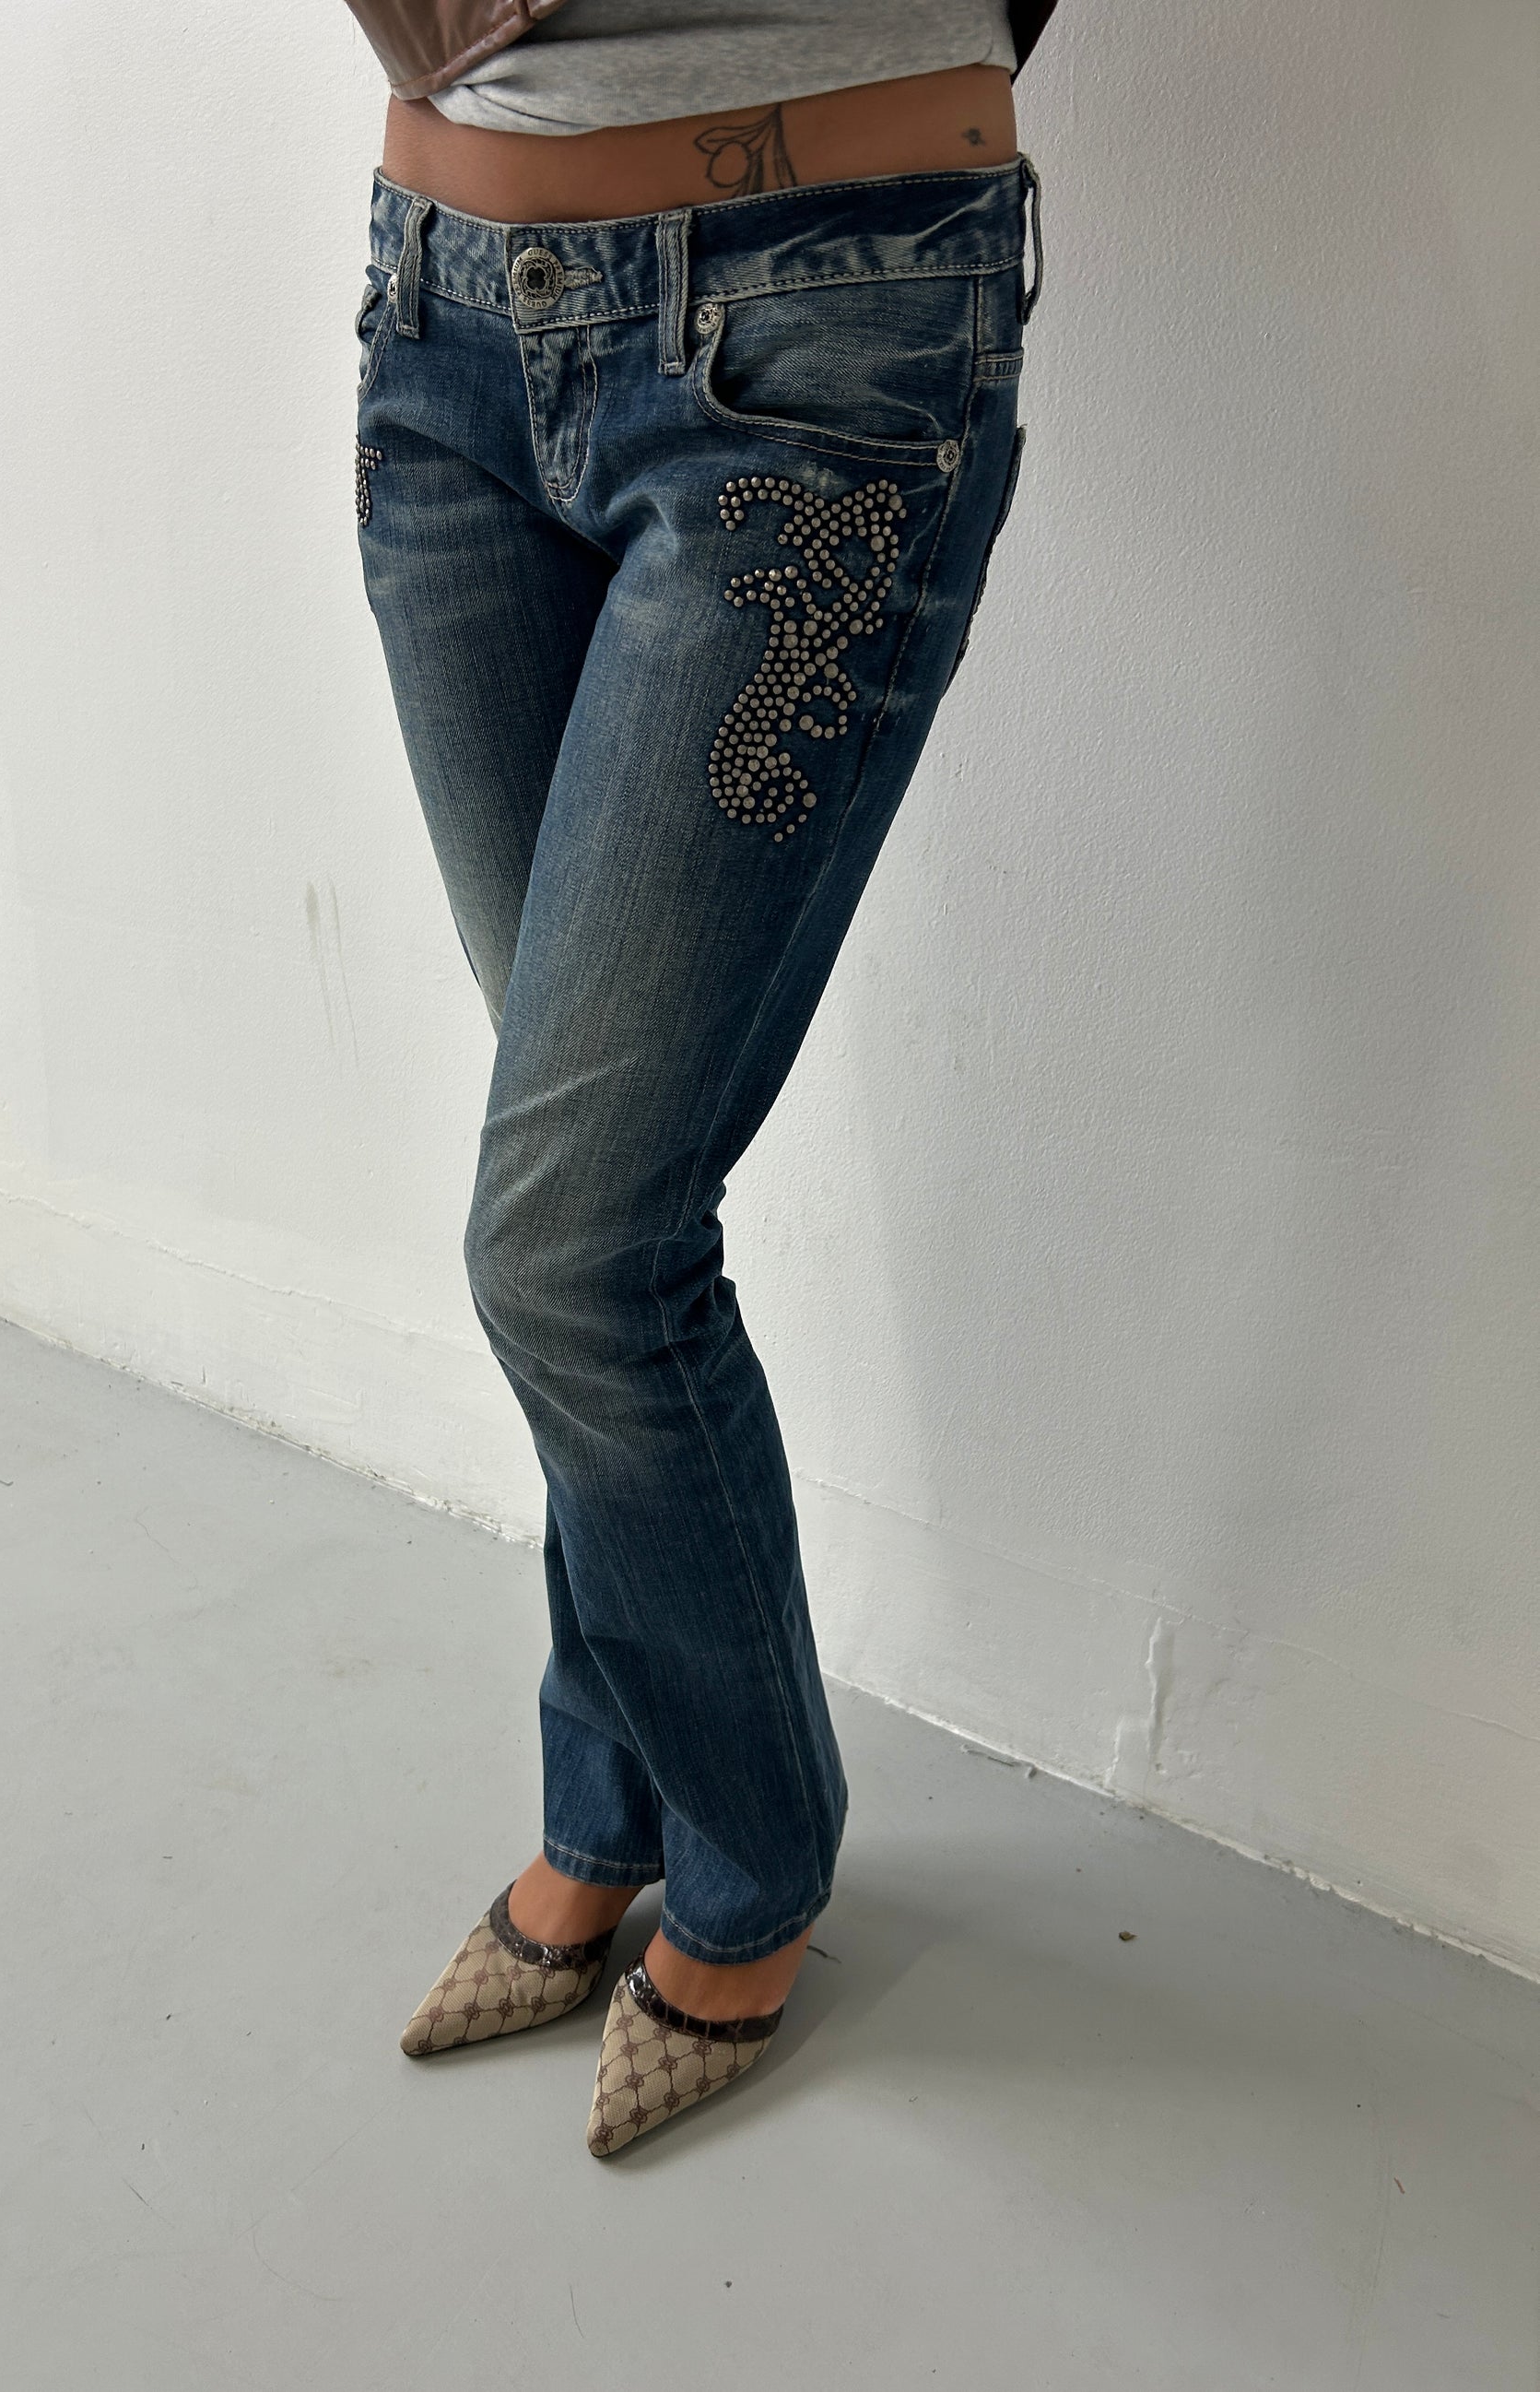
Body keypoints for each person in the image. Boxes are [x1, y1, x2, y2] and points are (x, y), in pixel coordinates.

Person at [346, 0, 1054, 2155]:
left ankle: (746, 1862)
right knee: (587, 1219)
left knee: (572, 1242)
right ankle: (616, 1802)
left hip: (829, 345)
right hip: (443, 333)